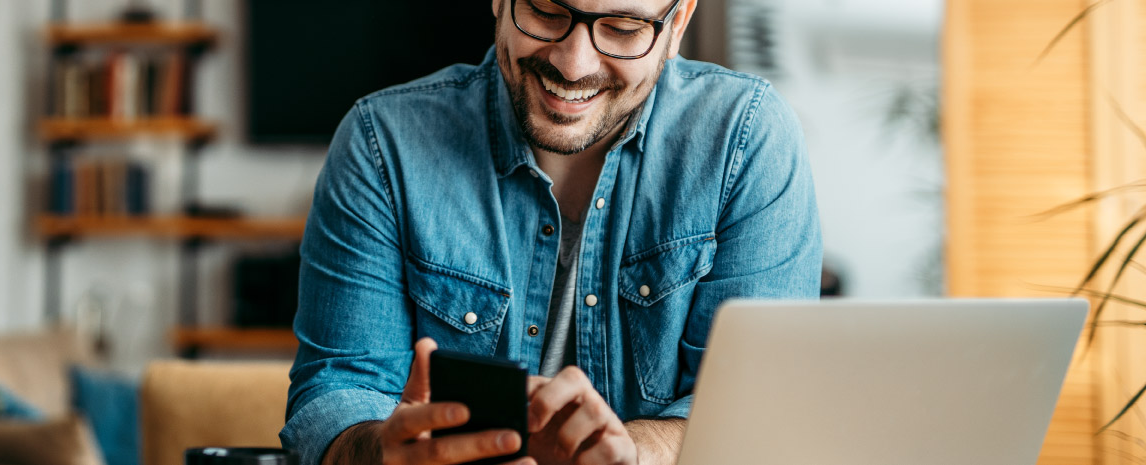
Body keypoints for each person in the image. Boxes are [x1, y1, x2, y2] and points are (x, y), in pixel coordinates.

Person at [280, 0, 822, 464]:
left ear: (676, 24)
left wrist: (632, 451)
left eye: (623, 28)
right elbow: (334, 397)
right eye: (544, 10)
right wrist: (386, 453)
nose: (573, 62)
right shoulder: (382, 144)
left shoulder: (747, 140)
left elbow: (761, 413)